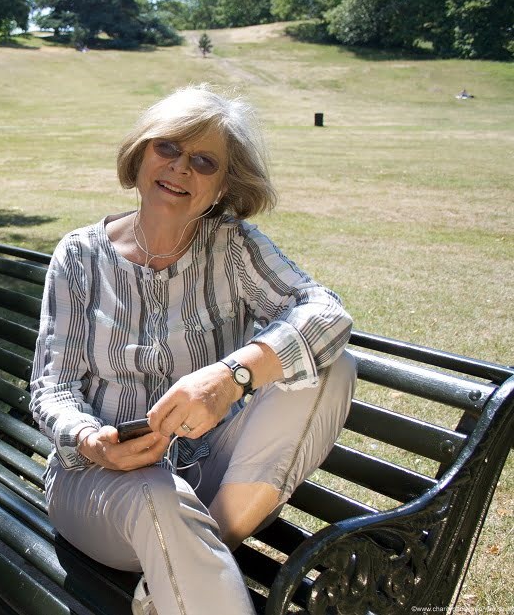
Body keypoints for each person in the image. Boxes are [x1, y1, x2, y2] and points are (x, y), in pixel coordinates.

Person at [30, 85, 356, 615]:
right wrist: (93, 442)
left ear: (224, 185)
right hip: (99, 485)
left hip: (211, 475)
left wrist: (233, 377)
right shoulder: (80, 256)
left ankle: (190, 561)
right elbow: (53, 386)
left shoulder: (234, 247)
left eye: (204, 161)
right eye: (168, 148)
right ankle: (193, 556)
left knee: (333, 369)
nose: (181, 168)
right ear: (139, 153)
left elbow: (326, 315)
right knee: (158, 496)